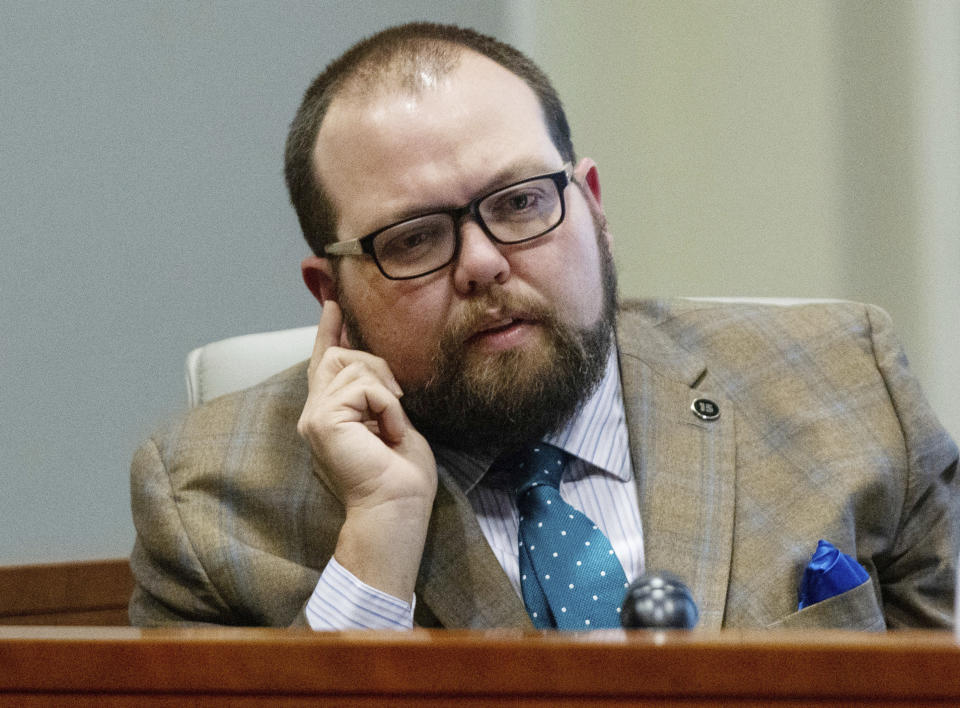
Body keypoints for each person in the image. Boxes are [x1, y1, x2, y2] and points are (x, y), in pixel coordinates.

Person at [129, 22, 959, 631]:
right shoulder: (210, 508)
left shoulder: (849, 389)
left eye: (521, 201)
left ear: (591, 206)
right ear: (331, 293)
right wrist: (379, 531)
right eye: (415, 238)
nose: (484, 263)